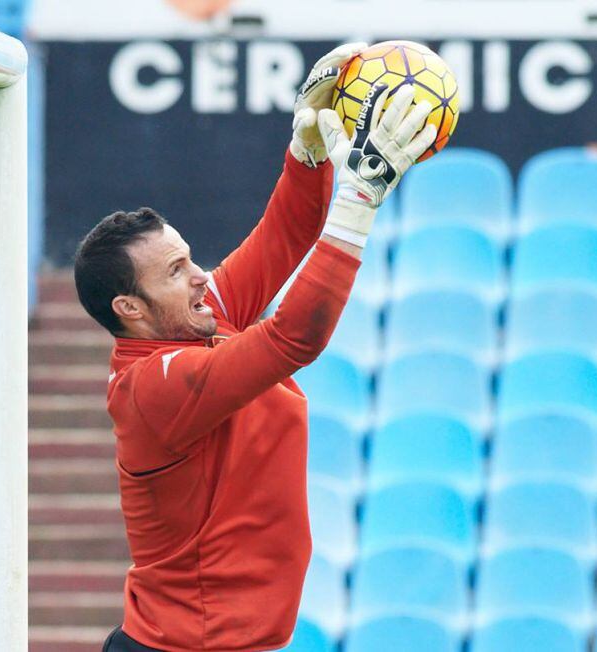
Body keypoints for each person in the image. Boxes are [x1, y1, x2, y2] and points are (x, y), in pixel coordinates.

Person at [74, 43, 436, 652]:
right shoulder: (150, 389)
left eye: (190, 258)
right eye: (176, 270)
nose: (200, 277)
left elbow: (285, 236)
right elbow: (295, 336)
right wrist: (360, 199)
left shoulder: (197, 316)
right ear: (129, 309)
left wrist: (307, 148)